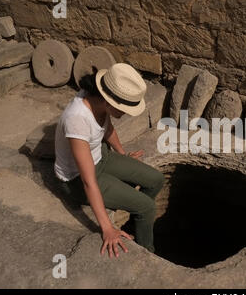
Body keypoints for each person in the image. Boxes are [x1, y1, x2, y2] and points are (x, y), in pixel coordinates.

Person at [54, 63, 165, 258]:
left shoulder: (98, 101)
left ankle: (137, 217)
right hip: (77, 180)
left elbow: (107, 129)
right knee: (147, 207)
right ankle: (147, 253)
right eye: (124, 109)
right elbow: (88, 182)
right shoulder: (77, 119)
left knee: (156, 179)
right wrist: (107, 228)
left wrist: (122, 155)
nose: (127, 113)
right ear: (108, 101)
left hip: (102, 157)